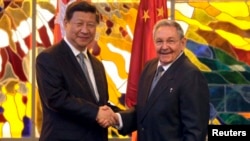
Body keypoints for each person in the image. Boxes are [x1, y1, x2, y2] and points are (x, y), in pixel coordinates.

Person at [112, 19, 210, 141]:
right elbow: (145, 111)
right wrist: (117, 118)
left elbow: (195, 132)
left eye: (171, 41)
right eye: (159, 41)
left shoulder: (191, 76)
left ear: (183, 43)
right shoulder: (149, 67)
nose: (164, 47)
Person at [36, 1, 119, 141]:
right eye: (79, 24)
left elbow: (101, 105)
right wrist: (96, 113)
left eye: (91, 25)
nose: (85, 30)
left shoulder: (97, 65)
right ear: (65, 23)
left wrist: (123, 117)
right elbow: (57, 99)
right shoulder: (49, 58)